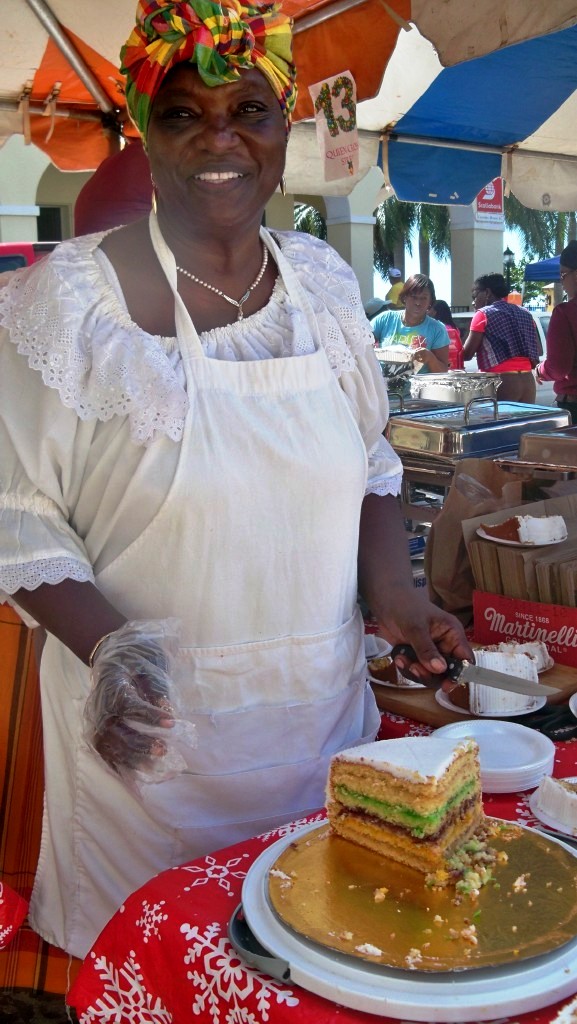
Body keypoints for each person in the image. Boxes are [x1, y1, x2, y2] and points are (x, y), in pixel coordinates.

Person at [0, 0, 472, 959]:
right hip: (152, 740)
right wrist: (112, 651)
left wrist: (396, 592)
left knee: (318, 954)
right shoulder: (66, 300)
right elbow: (17, 513)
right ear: (145, 128)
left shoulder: (324, 283)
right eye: (182, 114)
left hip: (315, 721)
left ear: (283, 126)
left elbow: (373, 462)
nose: (219, 140)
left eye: (248, 112)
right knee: (167, 974)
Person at [463, 273, 539, 402]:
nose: (473, 301)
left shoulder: (483, 314)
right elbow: (534, 347)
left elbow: (467, 354)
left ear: (487, 292)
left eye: (475, 296)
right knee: (522, 422)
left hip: (502, 382)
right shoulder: (526, 313)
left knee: (497, 422)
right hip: (528, 382)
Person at [372, 273, 450, 374]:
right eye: (413, 297)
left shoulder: (438, 330)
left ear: (430, 301)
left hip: (420, 389)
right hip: (383, 387)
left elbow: (443, 372)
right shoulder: (384, 319)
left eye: (423, 298)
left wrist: (430, 358)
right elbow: (360, 343)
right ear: (404, 297)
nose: (418, 303)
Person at [536, 240, 577, 422]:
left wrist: (540, 371)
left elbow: (559, 368)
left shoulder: (565, 313)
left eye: (563, 274)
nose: (562, 280)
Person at [431, 299, 464, 370]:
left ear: (435, 312)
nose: (427, 311)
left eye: (429, 309)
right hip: (455, 366)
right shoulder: (454, 328)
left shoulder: (438, 329)